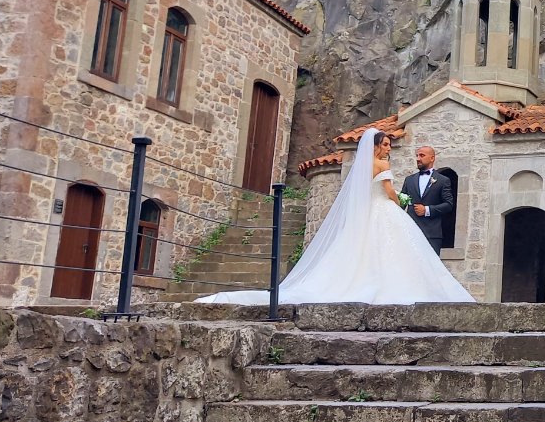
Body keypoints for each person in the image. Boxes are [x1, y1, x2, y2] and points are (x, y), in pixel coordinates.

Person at [195, 129, 473, 304]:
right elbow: (389, 192)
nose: (389, 148)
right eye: (386, 144)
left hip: (373, 212)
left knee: (371, 250)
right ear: (377, 146)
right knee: (391, 250)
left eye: (389, 145)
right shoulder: (383, 164)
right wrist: (400, 201)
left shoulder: (365, 165)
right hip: (385, 211)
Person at [399, 145, 454, 256]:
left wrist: (427, 210)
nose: (418, 158)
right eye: (417, 155)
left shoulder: (443, 180)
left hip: (432, 234)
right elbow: (402, 205)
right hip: (411, 233)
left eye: (422, 155)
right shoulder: (409, 180)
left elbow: (448, 205)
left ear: (432, 158)